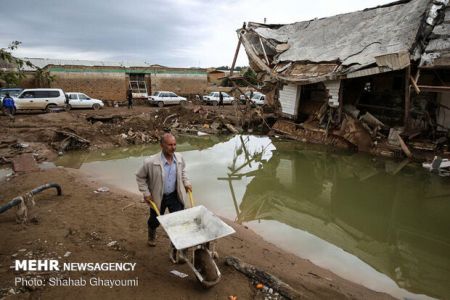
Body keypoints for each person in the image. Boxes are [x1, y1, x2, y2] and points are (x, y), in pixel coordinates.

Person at [136, 133, 192, 249]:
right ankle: (151, 235)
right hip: (157, 197)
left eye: (175, 144)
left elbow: (183, 171)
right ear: (162, 145)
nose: (173, 147)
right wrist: (146, 193)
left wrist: (186, 182)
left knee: (177, 221)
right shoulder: (150, 162)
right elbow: (140, 177)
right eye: (170, 145)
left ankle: (175, 246)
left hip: (175, 195)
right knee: (155, 220)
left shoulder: (180, 158)